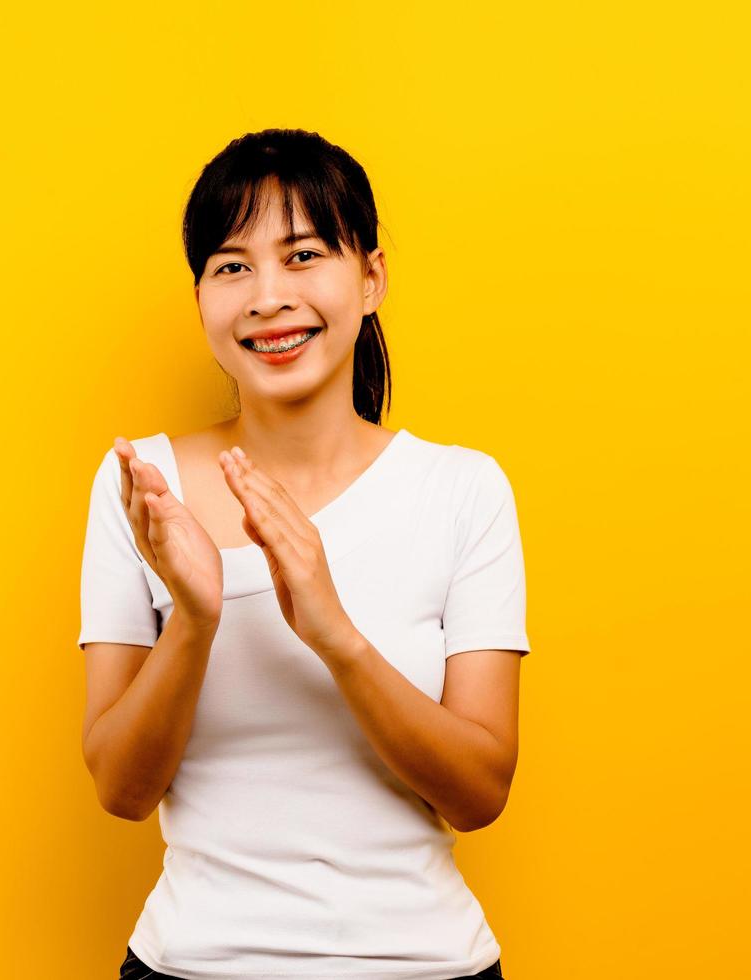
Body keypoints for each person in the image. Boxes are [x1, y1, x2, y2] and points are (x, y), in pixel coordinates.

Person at [78, 129, 529, 980]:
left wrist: (335, 635)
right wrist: (197, 618)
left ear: (371, 279)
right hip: (191, 965)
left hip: (424, 965)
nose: (266, 297)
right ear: (203, 297)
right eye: (232, 266)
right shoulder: (141, 485)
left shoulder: (463, 490)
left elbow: (481, 794)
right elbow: (121, 790)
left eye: (304, 255)